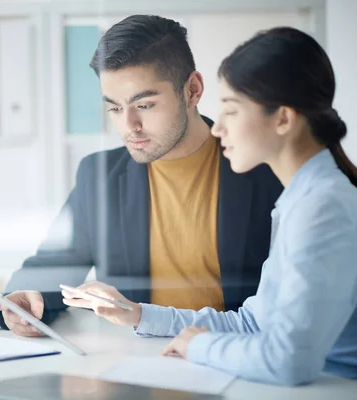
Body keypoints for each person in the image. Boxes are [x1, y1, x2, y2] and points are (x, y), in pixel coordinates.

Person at [62, 26, 357, 386]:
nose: (218, 129)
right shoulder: (300, 200)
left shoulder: (323, 207)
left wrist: (201, 346)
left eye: (231, 111)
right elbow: (252, 323)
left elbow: (289, 361)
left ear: (282, 118)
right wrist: (138, 315)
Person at [0, 15, 282, 337]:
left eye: (143, 105)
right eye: (114, 108)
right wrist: (25, 299)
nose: (129, 126)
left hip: (236, 358)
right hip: (138, 364)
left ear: (192, 90)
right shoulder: (98, 176)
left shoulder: (266, 171)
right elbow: (51, 266)